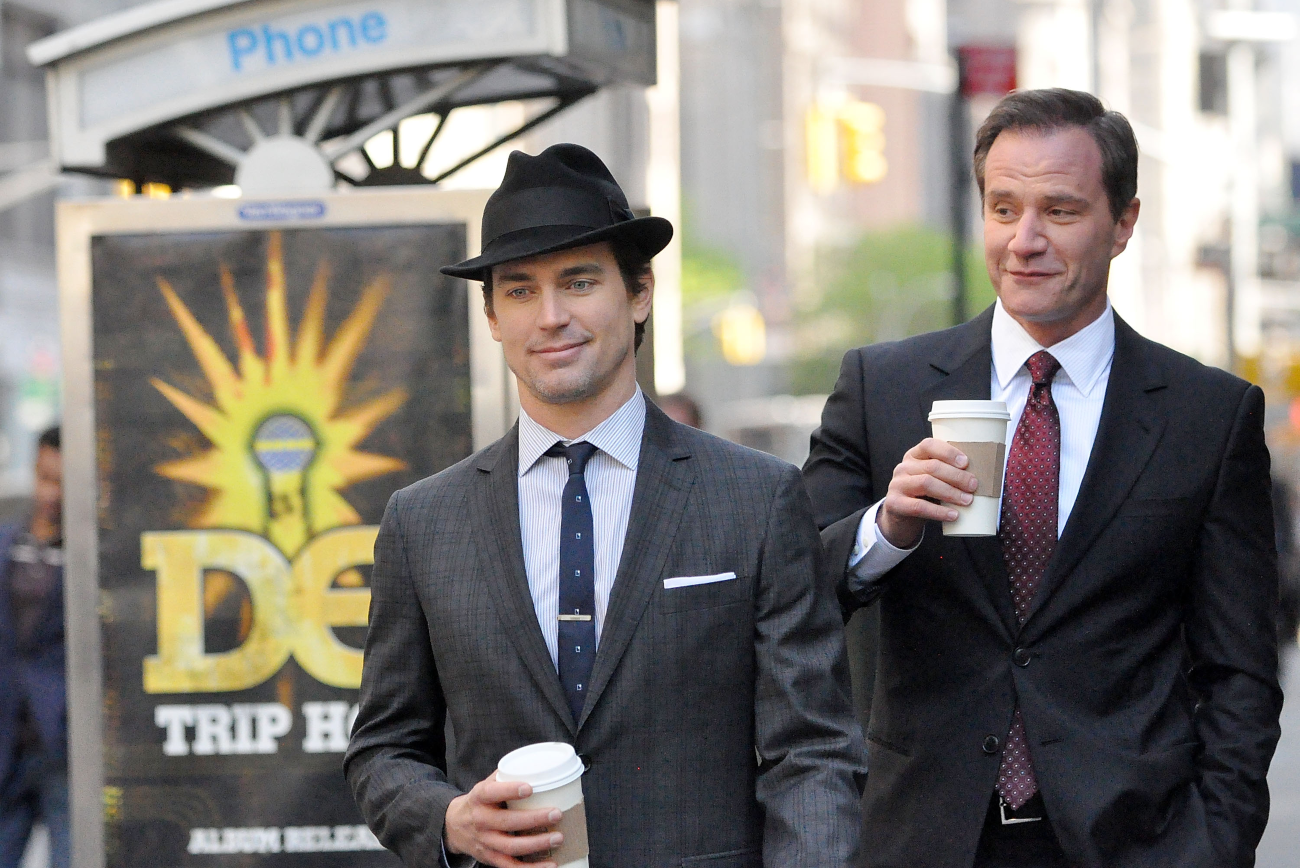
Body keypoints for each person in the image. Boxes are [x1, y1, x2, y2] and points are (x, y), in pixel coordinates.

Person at [346, 143, 865, 868]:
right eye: (520, 290)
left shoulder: (755, 497)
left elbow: (812, 751)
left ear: (640, 291)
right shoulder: (422, 522)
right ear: (492, 316)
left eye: (579, 281)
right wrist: (450, 821)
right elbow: (383, 750)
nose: (551, 316)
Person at [803, 89, 1282, 868]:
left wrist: (1212, 845)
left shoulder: (1208, 415)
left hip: (1134, 840)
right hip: (924, 837)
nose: (1024, 241)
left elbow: (1241, 673)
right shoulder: (881, 388)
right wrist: (884, 530)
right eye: (1002, 209)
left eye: (1059, 211)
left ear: (1123, 223)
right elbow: (791, 593)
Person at [0, 426, 68, 868]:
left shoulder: (93, 553)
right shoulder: (7, 543)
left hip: (63, 742)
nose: (51, 494)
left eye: (61, 482)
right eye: (45, 478)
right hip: (7, 739)